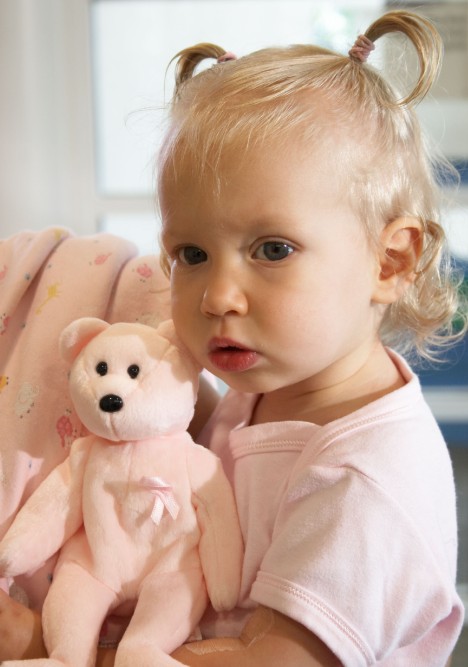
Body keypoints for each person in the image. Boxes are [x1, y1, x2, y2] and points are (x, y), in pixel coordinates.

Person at [0, 8, 466, 667]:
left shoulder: (363, 477)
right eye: (191, 253)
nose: (217, 295)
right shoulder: (275, 383)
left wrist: (49, 644)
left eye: (272, 248)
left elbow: (269, 660)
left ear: (389, 261)